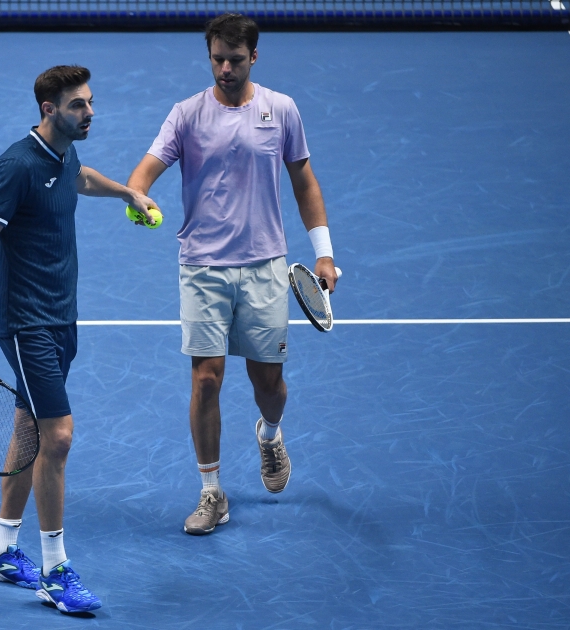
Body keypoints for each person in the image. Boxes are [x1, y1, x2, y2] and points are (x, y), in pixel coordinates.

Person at [0, 65, 158, 613]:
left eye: (90, 103)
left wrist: (126, 193)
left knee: (28, 427)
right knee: (58, 436)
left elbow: (79, 178)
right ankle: (54, 570)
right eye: (78, 106)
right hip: (26, 322)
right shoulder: (16, 165)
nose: (90, 113)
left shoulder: (63, 153)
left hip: (62, 317)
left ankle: (1, 552)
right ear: (49, 110)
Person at [127, 14, 339, 535]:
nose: (224, 68)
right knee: (205, 378)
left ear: (254, 57)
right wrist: (137, 195)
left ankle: (269, 435)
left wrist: (324, 253)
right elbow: (147, 168)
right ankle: (211, 492)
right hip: (202, 266)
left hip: (266, 264)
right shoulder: (186, 115)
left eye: (235, 60)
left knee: (268, 383)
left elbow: (304, 182)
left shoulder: (281, 110)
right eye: (217, 58)